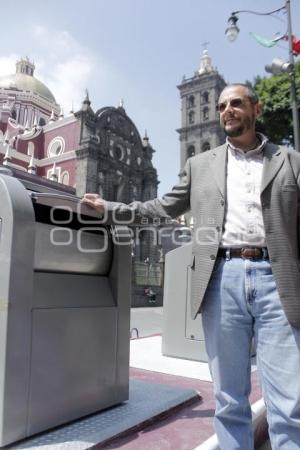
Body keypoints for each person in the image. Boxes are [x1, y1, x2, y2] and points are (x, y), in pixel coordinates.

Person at [82, 84, 300, 449]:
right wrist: (111, 208)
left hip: (277, 280)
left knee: (289, 402)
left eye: (236, 103)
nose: (227, 110)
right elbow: (162, 206)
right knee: (229, 397)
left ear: (255, 110)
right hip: (222, 277)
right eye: (221, 105)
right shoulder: (200, 165)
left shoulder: (290, 161)